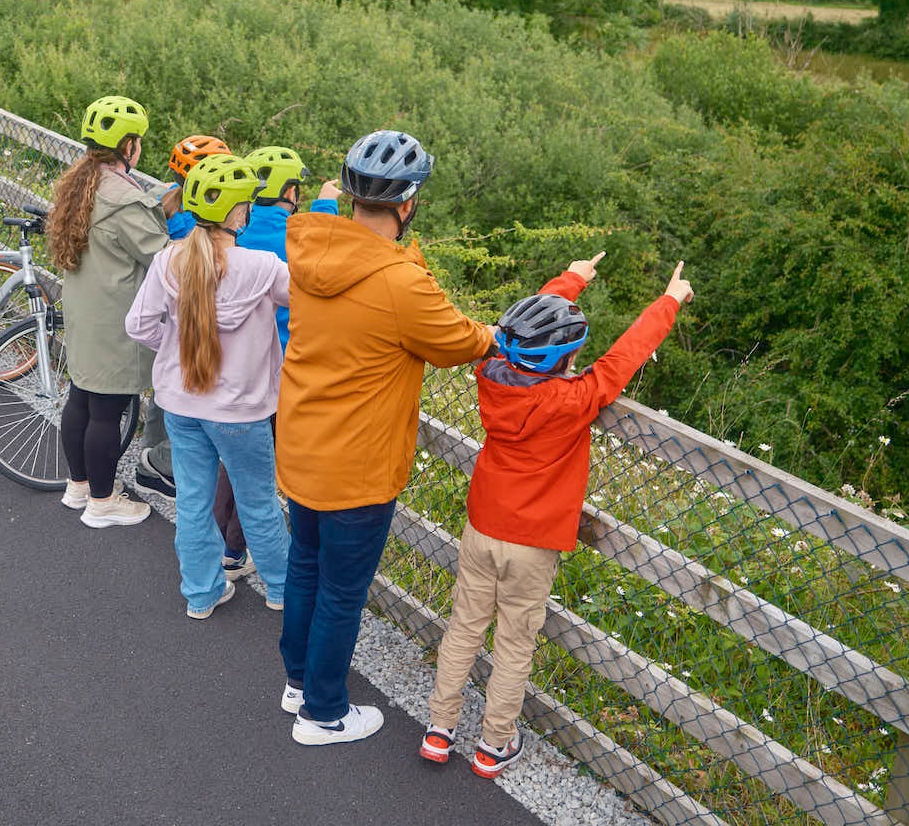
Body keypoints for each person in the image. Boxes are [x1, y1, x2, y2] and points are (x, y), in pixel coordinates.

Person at [421, 255, 693, 777]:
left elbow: (527, 329)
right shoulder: (574, 400)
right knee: (514, 643)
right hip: (532, 543)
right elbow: (622, 358)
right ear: (566, 358)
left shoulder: (491, 376)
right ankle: (493, 743)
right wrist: (669, 301)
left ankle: (439, 728)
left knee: (463, 629)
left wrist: (571, 280)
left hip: (482, 527)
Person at [275, 130, 497, 746]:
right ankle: (322, 713)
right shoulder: (401, 281)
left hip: (301, 442)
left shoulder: (308, 243)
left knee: (305, 566)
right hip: (358, 462)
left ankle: (299, 680)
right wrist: (497, 333)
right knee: (343, 591)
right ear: (408, 204)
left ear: (349, 195)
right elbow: (459, 341)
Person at [124, 154, 292, 618]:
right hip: (240, 412)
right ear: (240, 214)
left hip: (180, 403)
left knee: (194, 502)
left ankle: (201, 594)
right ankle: (281, 591)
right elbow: (306, 304)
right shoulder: (263, 266)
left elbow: (138, 325)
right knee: (258, 503)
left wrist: (172, 349)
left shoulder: (169, 261)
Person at [208, 145, 338, 581]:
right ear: (289, 190)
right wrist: (326, 202)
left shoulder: (238, 232)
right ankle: (237, 552)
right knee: (263, 467)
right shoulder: (296, 235)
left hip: (231, 363)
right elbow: (326, 250)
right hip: (284, 371)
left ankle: (217, 541)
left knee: (233, 458)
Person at [49, 95, 170, 528]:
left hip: (85, 311)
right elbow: (159, 255)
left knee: (81, 397)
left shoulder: (81, 183)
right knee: (108, 411)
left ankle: (79, 487)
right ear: (129, 146)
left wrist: (160, 204)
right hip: (116, 318)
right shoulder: (124, 199)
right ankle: (102, 503)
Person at [135, 133, 234, 498]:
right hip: (194, 321)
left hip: (164, 315)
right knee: (191, 400)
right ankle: (162, 463)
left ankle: (152, 459)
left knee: (166, 390)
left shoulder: (165, 201)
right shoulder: (198, 224)